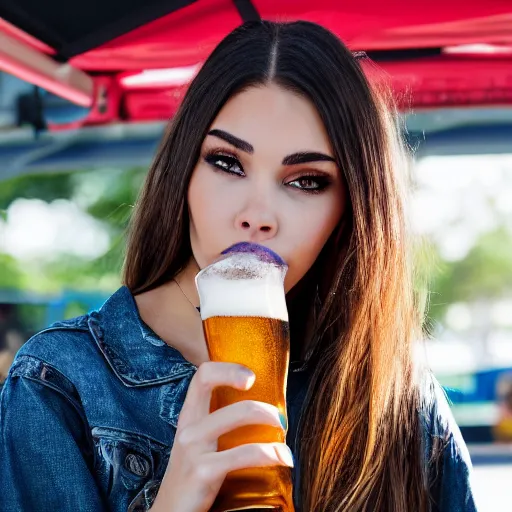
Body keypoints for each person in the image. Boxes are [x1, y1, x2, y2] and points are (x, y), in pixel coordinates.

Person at [0, 20, 477, 512]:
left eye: (307, 181)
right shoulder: (60, 383)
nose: (256, 215)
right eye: (227, 162)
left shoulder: (395, 399)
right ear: (184, 168)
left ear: (350, 207)